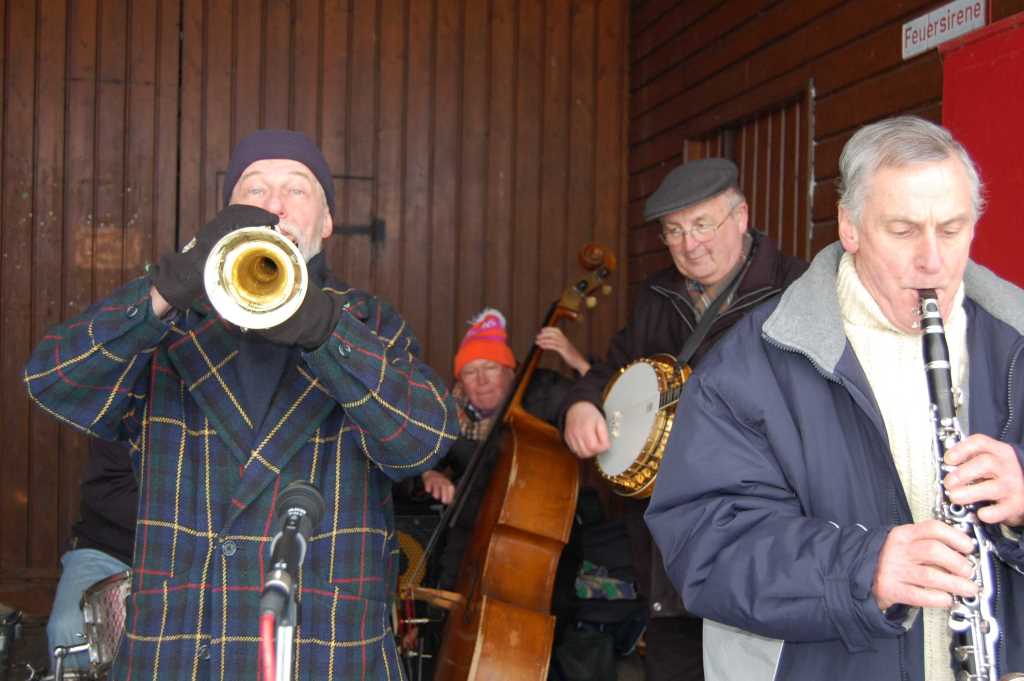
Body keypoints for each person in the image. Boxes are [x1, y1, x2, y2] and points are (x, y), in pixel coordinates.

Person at [24, 129, 458, 680]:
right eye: (254, 189)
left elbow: (423, 441)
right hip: (179, 649)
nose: (273, 204)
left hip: (327, 650)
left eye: (297, 189)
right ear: (226, 216)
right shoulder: (170, 324)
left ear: (325, 224)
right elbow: (53, 380)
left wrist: (326, 331)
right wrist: (167, 287)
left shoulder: (369, 324)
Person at [645, 116, 1024, 680]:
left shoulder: (1013, 336)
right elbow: (706, 545)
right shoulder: (752, 364)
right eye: (902, 230)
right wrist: (863, 570)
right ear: (849, 226)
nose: (934, 262)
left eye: (952, 229)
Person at [560, 158, 806, 681]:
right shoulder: (657, 296)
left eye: (702, 225)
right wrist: (581, 403)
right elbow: (611, 370)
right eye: (674, 231)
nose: (689, 244)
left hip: (762, 540)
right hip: (672, 552)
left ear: (740, 218)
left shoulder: (798, 291)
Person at [420, 308, 589, 507]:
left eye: (491, 368)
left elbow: (600, 404)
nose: (481, 381)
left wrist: (580, 364)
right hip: (475, 524)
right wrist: (429, 474)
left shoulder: (543, 389)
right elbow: (422, 458)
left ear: (510, 371)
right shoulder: (449, 415)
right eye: (470, 373)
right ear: (461, 382)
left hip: (553, 514)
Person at [47, 438, 137, 673]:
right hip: (112, 551)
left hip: (205, 557)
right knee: (70, 629)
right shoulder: (127, 408)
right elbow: (107, 494)